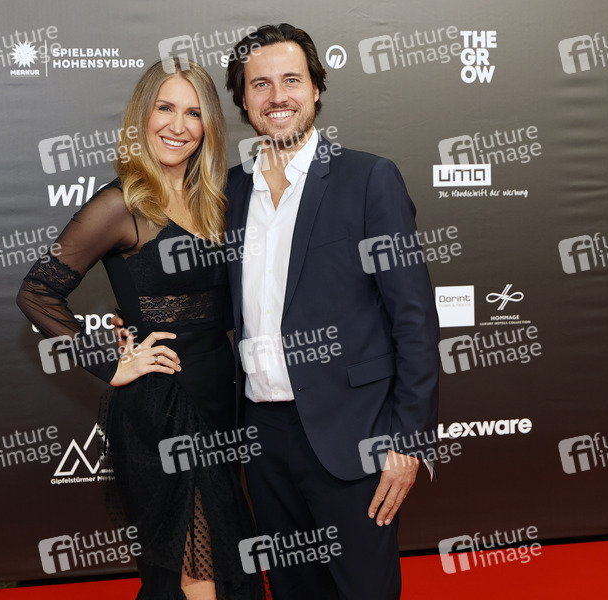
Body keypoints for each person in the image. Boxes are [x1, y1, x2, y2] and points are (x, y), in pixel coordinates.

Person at [17, 60, 264, 600]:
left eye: (193, 113)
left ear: (208, 125)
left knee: (227, 556)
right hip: (165, 402)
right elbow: (36, 291)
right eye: (165, 108)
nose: (178, 125)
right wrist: (111, 362)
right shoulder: (121, 203)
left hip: (221, 395)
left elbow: (222, 304)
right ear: (142, 116)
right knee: (198, 567)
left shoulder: (216, 198)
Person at [222, 24, 440, 599]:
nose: (278, 97)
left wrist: (408, 442)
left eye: (292, 80)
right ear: (243, 99)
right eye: (260, 84)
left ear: (316, 88)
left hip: (354, 436)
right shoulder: (230, 192)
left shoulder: (367, 178)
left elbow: (414, 319)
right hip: (263, 440)